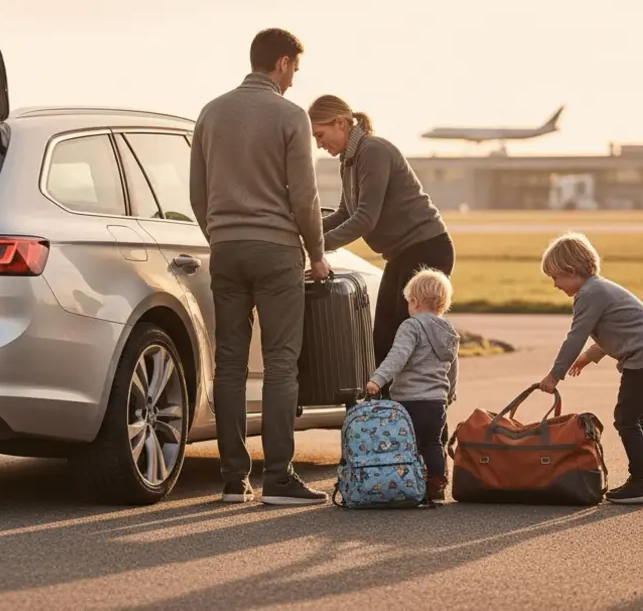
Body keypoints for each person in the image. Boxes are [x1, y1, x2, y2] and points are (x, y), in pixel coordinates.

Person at [189, 28, 331, 506]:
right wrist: (317, 253)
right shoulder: (290, 116)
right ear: (284, 63)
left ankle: (233, 479)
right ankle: (279, 478)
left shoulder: (210, 112)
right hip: (275, 253)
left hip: (225, 250)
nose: (294, 80)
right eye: (295, 69)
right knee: (279, 364)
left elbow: (197, 192)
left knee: (229, 363)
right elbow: (305, 196)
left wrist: (220, 235)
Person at [308, 95, 454, 369]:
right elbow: (345, 213)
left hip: (426, 248)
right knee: (383, 340)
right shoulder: (349, 161)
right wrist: (304, 230)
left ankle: (421, 405)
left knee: (407, 339)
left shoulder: (373, 151)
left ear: (340, 123)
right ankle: (388, 410)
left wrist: (317, 248)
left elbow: (365, 218)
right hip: (401, 254)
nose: (318, 144)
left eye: (320, 134)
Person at [537, 232, 643, 505]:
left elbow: (575, 336)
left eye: (555, 277)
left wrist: (554, 375)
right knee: (632, 418)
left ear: (570, 270)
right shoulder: (598, 289)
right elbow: (618, 330)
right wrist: (589, 356)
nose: (555, 285)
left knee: (626, 419)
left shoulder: (589, 294)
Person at [364, 268, 459, 503]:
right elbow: (453, 366)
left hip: (409, 400)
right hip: (437, 402)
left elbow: (398, 356)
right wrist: (450, 392)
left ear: (414, 301)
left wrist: (378, 379)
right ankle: (436, 485)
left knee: (407, 445)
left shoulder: (411, 326)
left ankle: (407, 484)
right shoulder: (449, 331)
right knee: (433, 443)